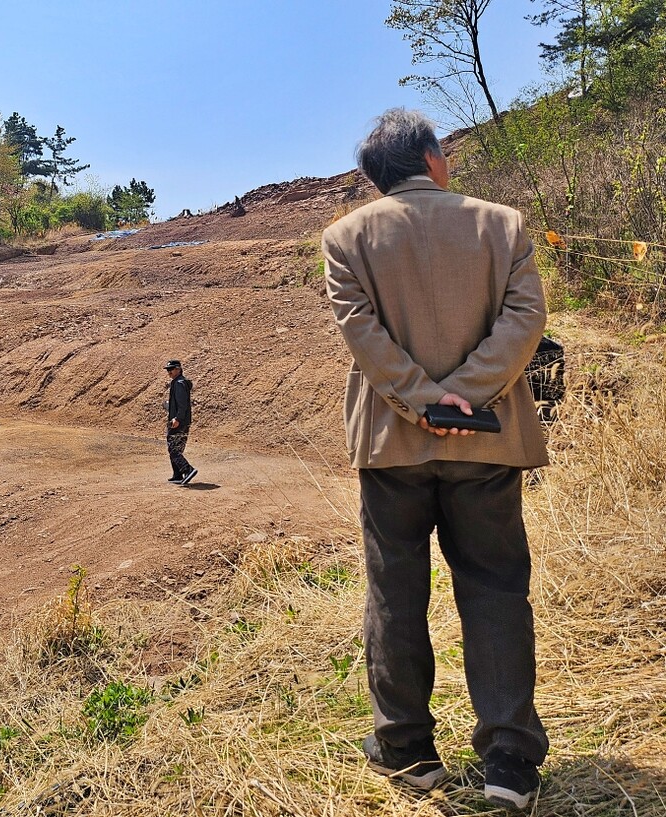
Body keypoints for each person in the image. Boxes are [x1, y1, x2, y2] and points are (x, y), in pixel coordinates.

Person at [322, 109, 549, 809]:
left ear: (372, 177)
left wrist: (422, 400)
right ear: (434, 156)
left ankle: (407, 749)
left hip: (393, 445)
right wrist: (466, 397)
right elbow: (525, 320)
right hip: (487, 439)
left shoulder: (344, 237)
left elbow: (360, 331)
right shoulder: (502, 223)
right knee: (495, 586)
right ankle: (510, 757)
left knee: (394, 591)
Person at [163, 360, 196, 486]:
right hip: (180, 420)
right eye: (168, 370)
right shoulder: (178, 382)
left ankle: (188, 470)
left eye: (171, 369)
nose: (169, 372)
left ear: (178, 369)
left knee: (173, 448)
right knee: (175, 448)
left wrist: (177, 418)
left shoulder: (179, 383)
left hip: (179, 421)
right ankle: (177, 475)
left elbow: (182, 405)